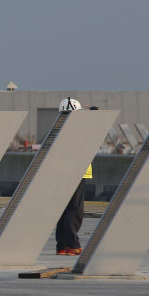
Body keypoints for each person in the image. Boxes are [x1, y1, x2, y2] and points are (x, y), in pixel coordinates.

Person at [55, 97, 93, 255]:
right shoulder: (79, 128)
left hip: (63, 172)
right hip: (79, 172)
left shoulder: (59, 127)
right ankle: (73, 244)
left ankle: (62, 246)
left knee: (63, 210)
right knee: (75, 210)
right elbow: (95, 131)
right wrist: (94, 113)